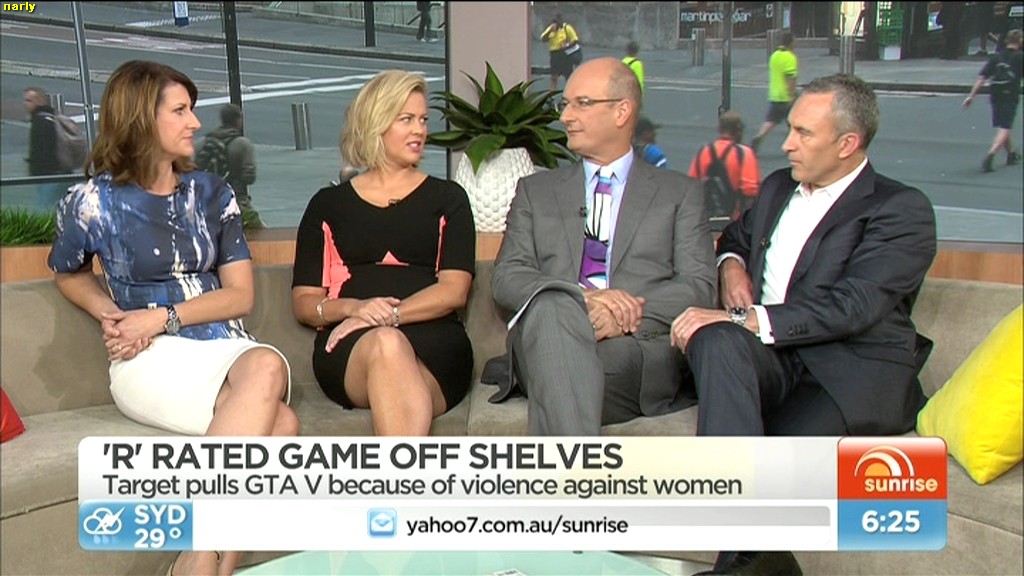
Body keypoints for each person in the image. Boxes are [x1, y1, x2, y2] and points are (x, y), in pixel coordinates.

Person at [671, 74, 937, 576]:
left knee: (772, 464)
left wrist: (748, 317)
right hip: (771, 362)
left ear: (847, 143)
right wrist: (731, 266)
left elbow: (854, 305)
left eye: (803, 133)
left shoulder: (901, 209)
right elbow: (736, 236)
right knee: (713, 337)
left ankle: (738, 566)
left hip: (844, 372)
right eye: (790, 129)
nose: (786, 144)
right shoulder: (777, 187)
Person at [46, 60, 297, 576]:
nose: (195, 122)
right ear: (142, 118)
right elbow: (67, 274)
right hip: (149, 360)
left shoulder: (212, 193)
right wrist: (115, 316)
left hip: (226, 349)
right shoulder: (91, 202)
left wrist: (159, 317)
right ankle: (206, 562)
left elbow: (240, 297)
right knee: (282, 423)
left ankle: (199, 559)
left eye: (192, 109)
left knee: (266, 372)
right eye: (181, 110)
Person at [491, 57, 717, 436]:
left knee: (569, 371)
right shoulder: (536, 191)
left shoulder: (680, 194)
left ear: (621, 111)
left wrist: (623, 313)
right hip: (547, 339)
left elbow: (699, 286)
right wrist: (582, 299)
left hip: (631, 347)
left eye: (581, 103)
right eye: (565, 104)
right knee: (553, 310)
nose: (566, 116)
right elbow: (507, 277)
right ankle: (577, 470)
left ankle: (564, 468)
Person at [291, 70, 475, 436]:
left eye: (423, 120)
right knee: (386, 345)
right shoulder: (327, 205)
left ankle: (394, 473)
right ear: (376, 123)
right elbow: (304, 303)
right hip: (352, 346)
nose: (419, 130)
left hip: (436, 345)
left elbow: (454, 291)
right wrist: (355, 310)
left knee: (389, 341)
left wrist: (387, 315)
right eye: (406, 119)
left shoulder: (449, 198)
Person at [963, 28, 1023, 172]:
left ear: (1006, 41)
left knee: (1002, 124)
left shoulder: (996, 57)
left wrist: (971, 96)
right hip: (1010, 93)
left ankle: (1011, 153)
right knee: (1005, 127)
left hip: (995, 93)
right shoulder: (1021, 57)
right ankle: (991, 155)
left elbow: (982, 78)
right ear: (1021, 41)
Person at [688, 111, 761, 221]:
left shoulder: (703, 152)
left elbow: (692, 184)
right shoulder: (744, 153)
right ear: (739, 131)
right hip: (734, 220)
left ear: (719, 129)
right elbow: (750, 190)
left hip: (705, 220)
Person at [196, 103, 262, 224]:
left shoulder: (202, 143)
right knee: (260, 231)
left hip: (206, 202)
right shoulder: (242, 144)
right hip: (236, 201)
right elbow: (249, 177)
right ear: (238, 120)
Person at [750, 32, 798, 154]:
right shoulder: (790, 58)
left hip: (775, 95)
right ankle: (795, 145)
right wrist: (791, 95)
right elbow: (791, 79)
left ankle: (759, 137)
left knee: (771, 120)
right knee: (796, 120)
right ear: (791, 43)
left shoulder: (774, 56)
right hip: (785, 96)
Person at [23, 86, 66, 211]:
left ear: (39, 101)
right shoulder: (51, 117)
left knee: (42, 209)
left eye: (29, 100)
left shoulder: (40, 121)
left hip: (48, 175)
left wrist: (35, 168)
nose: (25, 104)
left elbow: (42, 150)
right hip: (61, 173)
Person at [540, 13, 581, 92]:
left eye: (557, 21)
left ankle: (570, 93)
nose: (555, 23)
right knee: (554, 77)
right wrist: (550, 31)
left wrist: (566, 45)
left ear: (561, 21)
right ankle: (552, 95)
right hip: (554, 54)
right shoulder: (551, 29)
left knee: (568, 76)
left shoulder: (567, 28)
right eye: (554, 21)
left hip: (565, 54)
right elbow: (543, 39)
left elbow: (575, 40)